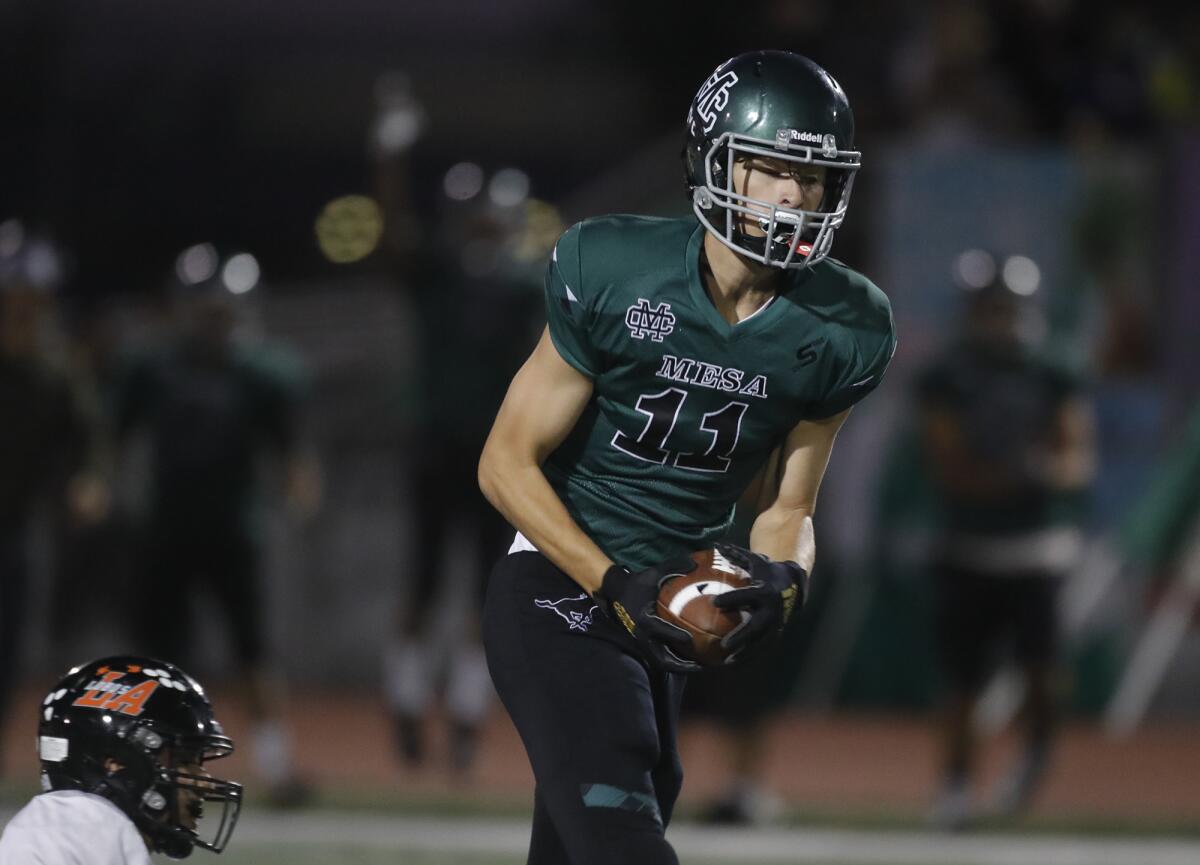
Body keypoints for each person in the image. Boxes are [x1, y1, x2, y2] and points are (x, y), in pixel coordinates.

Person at [477, 50, 896, 865]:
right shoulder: (614, 268)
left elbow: (788, 508)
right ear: (716, 163)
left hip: (670, 607)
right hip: (560, 585)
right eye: (771, 167)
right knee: (623, 833)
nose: (792, 195)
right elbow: (504, 462)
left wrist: (784, 579)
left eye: (811, 176)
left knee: (579, 844)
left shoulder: (846, 326)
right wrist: (612, 581)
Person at [114, 251, 321, 805]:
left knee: (253, 654)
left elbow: (290, 444)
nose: (210, 318)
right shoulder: (154, 368)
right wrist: (97, 482)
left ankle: (277, 766)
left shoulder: (260, 372)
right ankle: (153, 764)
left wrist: (299, 482)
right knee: (159, 659)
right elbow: (112, 432)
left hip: (233, 532)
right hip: (167, 531)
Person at [917, 250, 1095, 829]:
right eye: (985, 305)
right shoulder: (948, 373)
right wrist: (1022, 472)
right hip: (968, 547)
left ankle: (1033, 759)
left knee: (1043, 676)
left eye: (1002, 304)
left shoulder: (1052, 368)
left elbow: (1076, 457)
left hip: (1036, 550)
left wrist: (1039, 470)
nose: (994, 315)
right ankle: (955, 787)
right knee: (961, 683)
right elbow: (951, 466)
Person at [0, 655, 242, 863]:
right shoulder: (73, 829)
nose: (204, 782)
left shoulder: (89, 832)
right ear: (114, 763)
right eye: (185, 760)